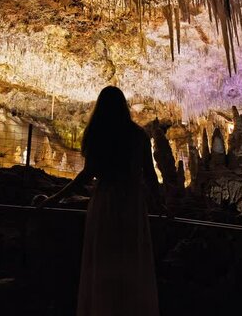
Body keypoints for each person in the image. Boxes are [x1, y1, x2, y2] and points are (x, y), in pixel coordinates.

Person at [37, 86, 162, 316]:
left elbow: (86, 175)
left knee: (104, 259)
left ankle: (102, 307)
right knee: (132, 260)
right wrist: (161, 204)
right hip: (132, 203)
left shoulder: (98, 134)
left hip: (105, 201)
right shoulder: (138, 136)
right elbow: (151, 175)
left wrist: (56, 197)